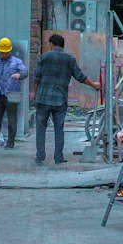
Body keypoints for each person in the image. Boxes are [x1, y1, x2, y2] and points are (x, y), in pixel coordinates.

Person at [31, 33, 99, 165]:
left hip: (43, 99)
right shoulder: (69, 59)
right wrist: (94, 84)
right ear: (62, 45)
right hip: (60, 100)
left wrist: (33, 92)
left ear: (51, 44)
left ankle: (40, 156)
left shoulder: (44, 57)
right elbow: (80, 77)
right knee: (59, 129)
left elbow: (37, 77)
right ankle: (58, 157)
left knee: (41, 129)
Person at [0, 38, 28, 149]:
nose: (4, 54)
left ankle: (10, 143)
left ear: (9, 51)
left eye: (6, 52)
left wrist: (19, 75)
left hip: (11, 95)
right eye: (2, 52)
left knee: (11, 120)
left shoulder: (17, 62)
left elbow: (25, 72)